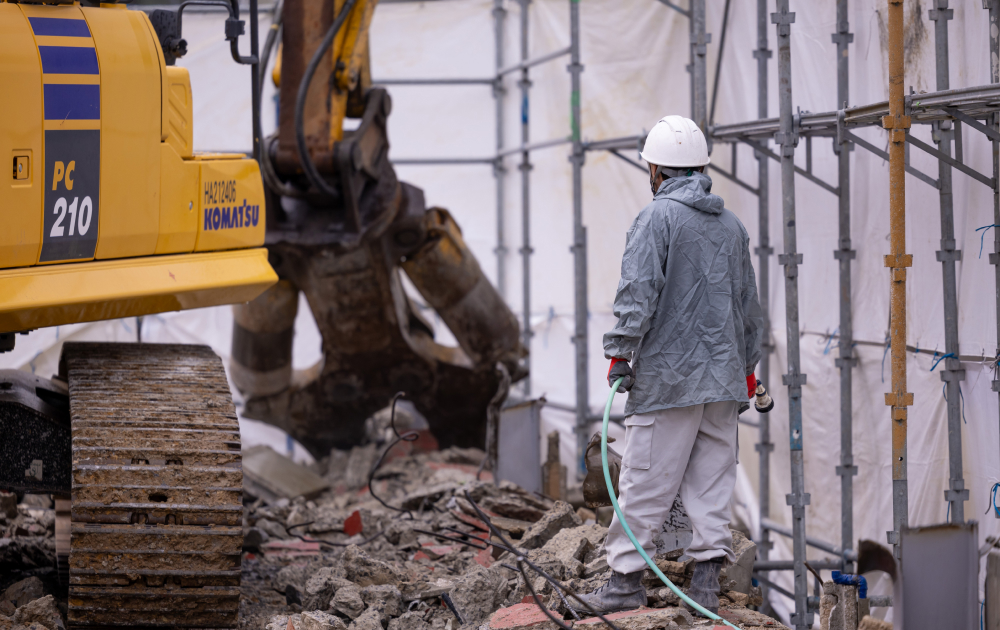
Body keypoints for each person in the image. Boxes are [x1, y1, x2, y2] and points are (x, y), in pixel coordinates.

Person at [574, 115, 763, 616]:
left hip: (670, 378)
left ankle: (624, 583)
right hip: (724, 381)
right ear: (700, 168)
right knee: (713, 482)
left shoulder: (656, 219)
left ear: (656, 170)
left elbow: (638, 292)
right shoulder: (732, 226)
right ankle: (704, 587)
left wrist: (621, 352)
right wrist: (747, 369)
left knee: (645, 480)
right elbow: (748, 307)